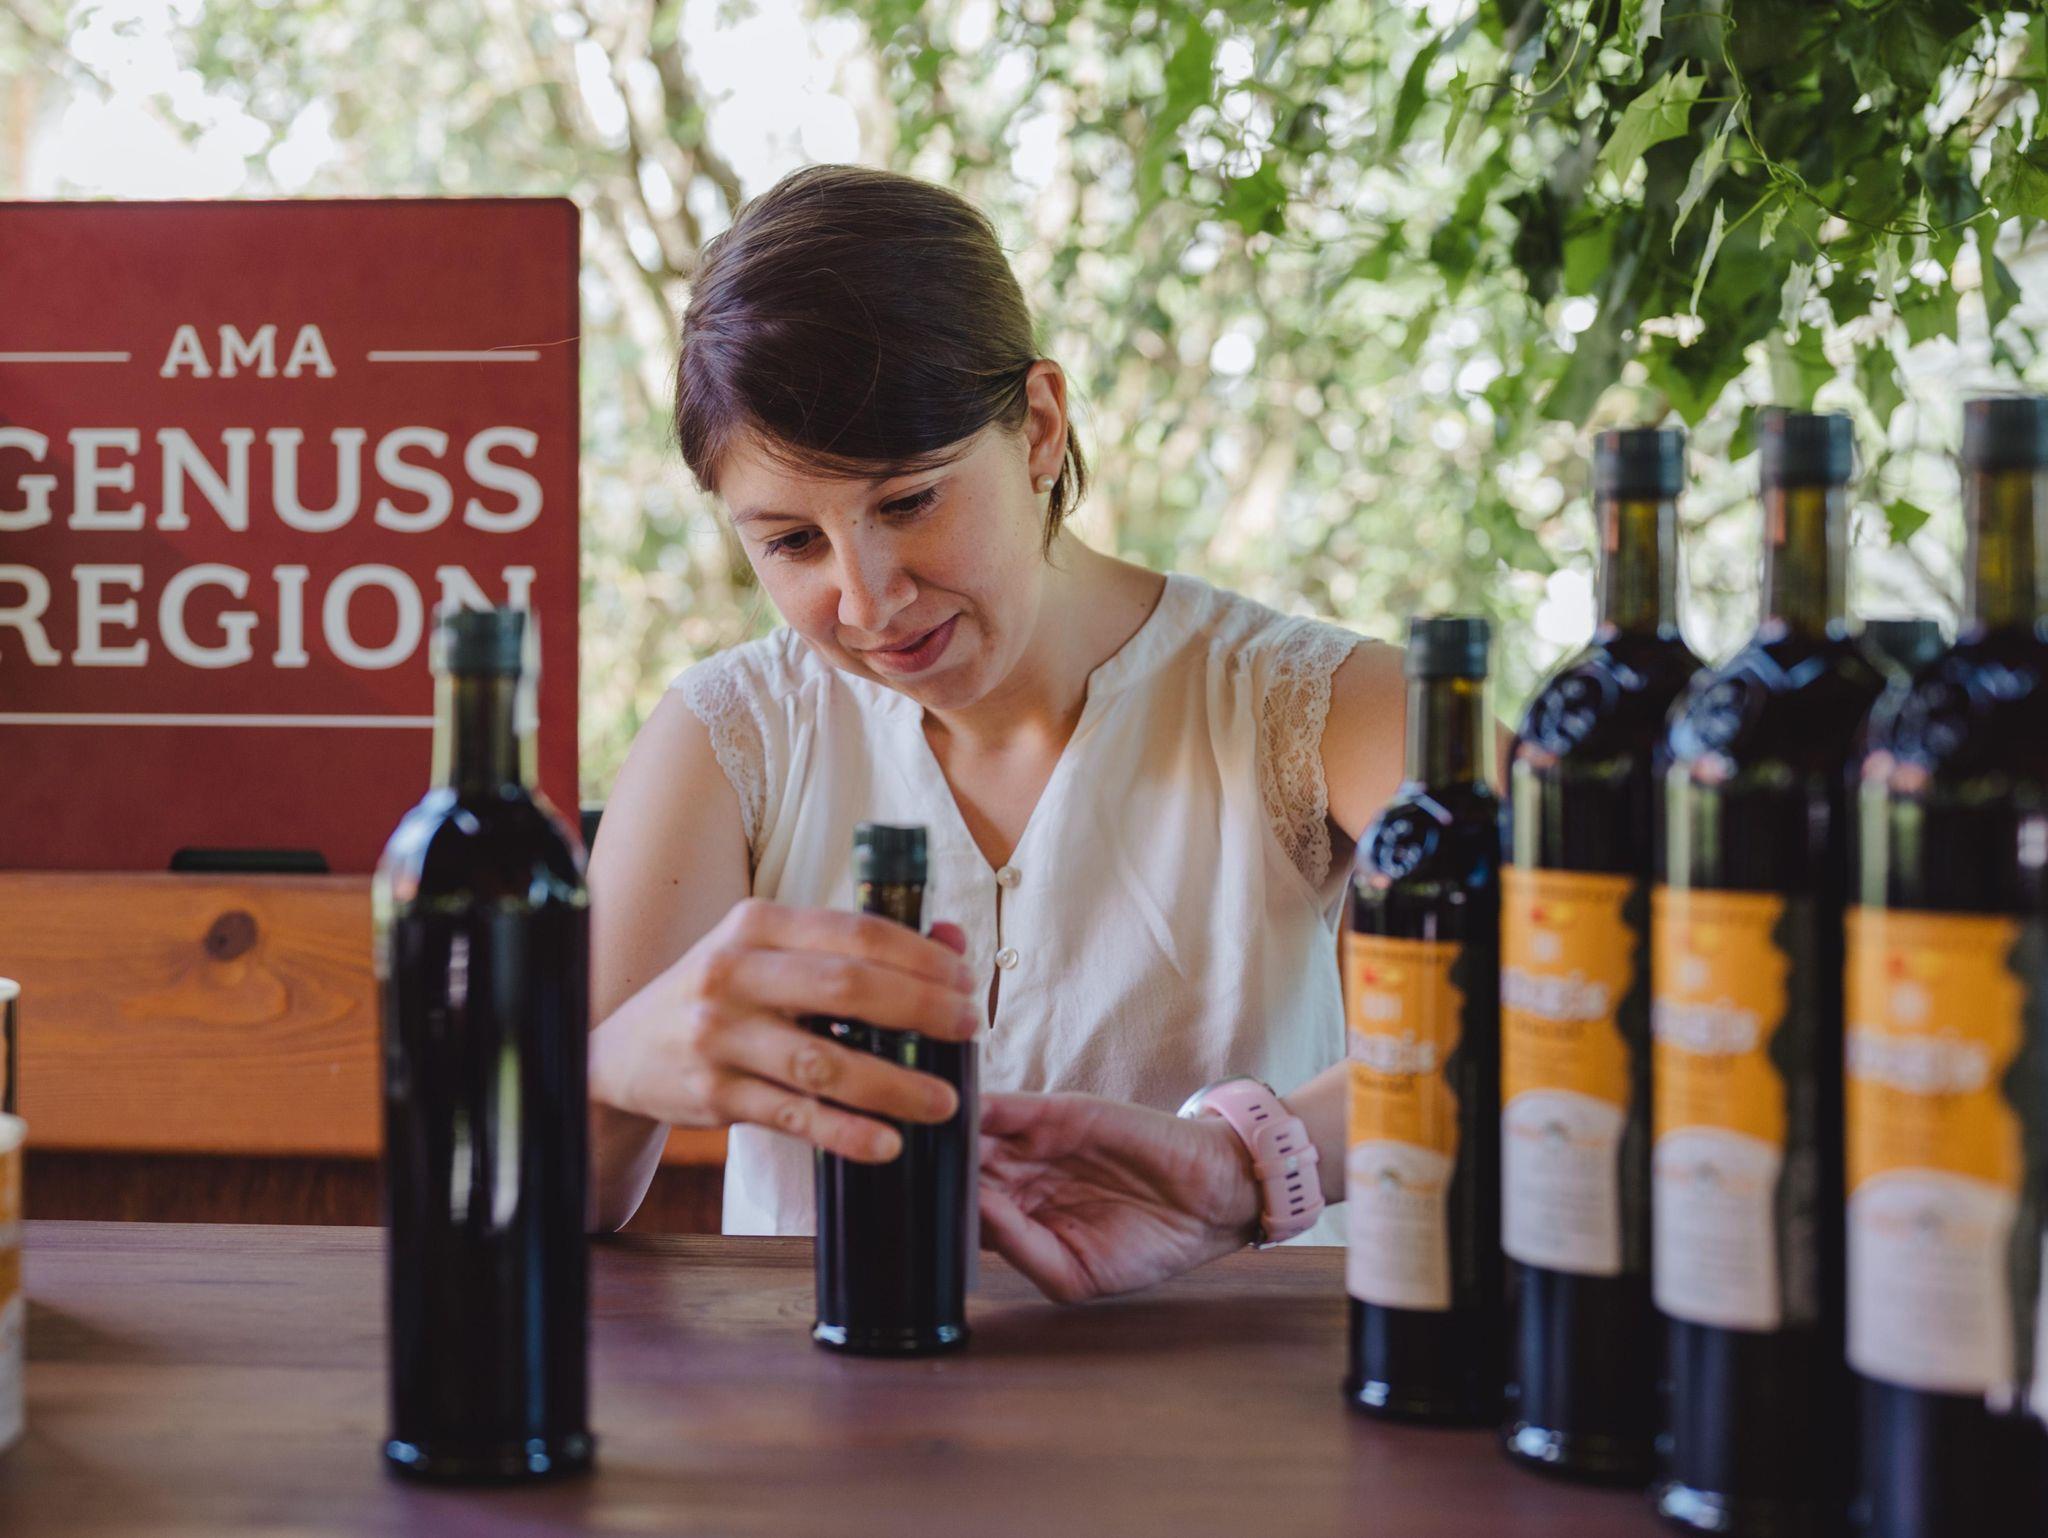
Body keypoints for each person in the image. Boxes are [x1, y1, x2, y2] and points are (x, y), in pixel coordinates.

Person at [583, 162, 1407, 1237]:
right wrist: (610, 1074)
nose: (868, 600)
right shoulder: (728, 732)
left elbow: (1584, 1006)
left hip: (1227, 1351)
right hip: (820, 1352)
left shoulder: (1316, 702)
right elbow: (540, 1204)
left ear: (1039, 426)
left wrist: (1247, 1162)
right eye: (791, 541)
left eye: (909, 501)